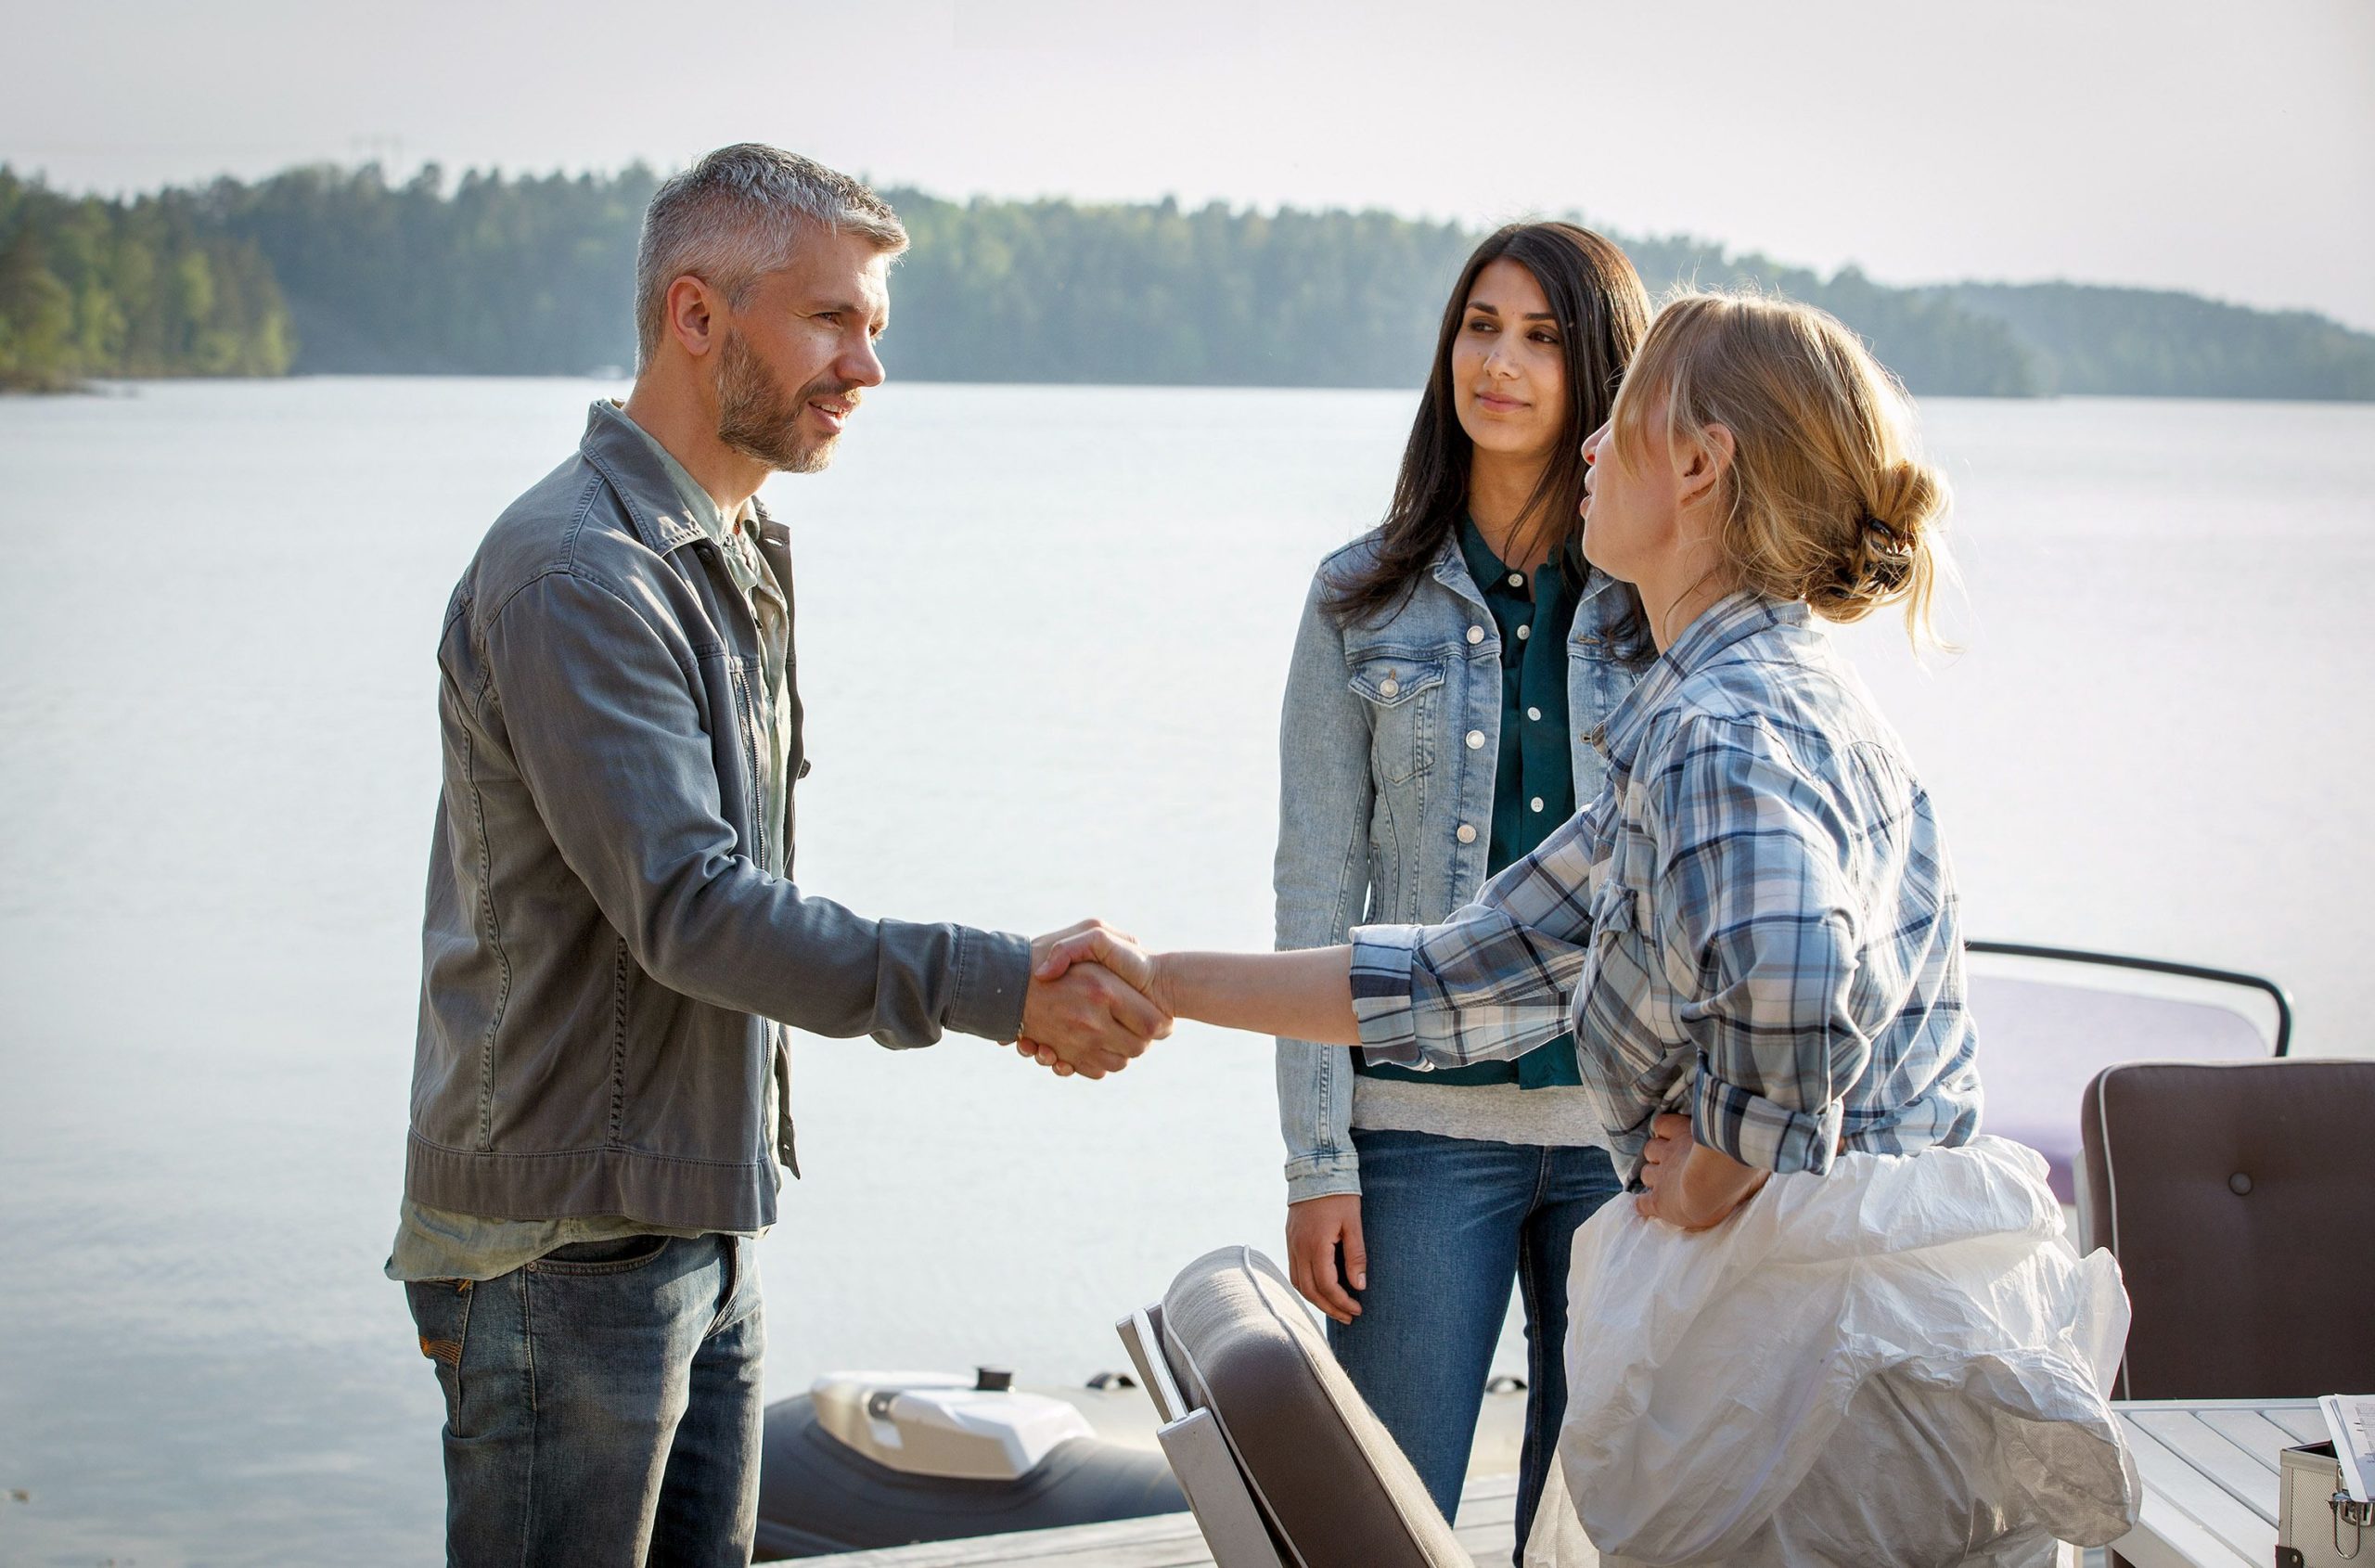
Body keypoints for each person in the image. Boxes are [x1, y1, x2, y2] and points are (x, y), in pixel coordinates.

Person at [1028, 289, 1991, 1555]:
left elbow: (1803, 983)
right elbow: (1451, 973)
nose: (1590, 445)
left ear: (1699, 467)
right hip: (1840, 1326)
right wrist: (1164, 977)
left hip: (1816, 1348)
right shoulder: (1741, 701)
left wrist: (1719, 1155)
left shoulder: (1718, 725)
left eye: (1624, 420)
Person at [390, 144, 1167, 1568]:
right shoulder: (579, 574)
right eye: (832, 321)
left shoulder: (727, 554)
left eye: (874, 327)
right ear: (697, 317)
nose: (866, 368)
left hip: (701, 1220)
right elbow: (695, 911)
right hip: (562, 1259)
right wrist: (1005, 986)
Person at [1270, 221, 1650, 1547]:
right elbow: (1313, 892)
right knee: (1384, 1524)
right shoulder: (1358, 597)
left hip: (1629, 1140)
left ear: (1599, 368)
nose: (1501, 361)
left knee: (1594, 1535)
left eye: (1544, 337)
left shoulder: (1662, 604)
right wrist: (1318, 1158)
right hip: (1420, 1133)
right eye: (1481, 326)